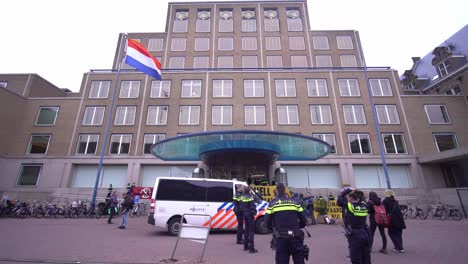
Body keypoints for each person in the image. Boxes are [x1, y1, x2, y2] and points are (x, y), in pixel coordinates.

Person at [265, 183, 308, 264]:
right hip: (296, 237)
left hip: (281, 238)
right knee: (299, 261)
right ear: (285, 191)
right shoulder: (295, 203)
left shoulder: (272, 204)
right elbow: (304, 220)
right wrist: (298, 227)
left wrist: (274, 229)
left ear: (276, 191)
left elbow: (266, 222)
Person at [345, 191, 371, 264]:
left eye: (348, 198)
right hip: (365, 232)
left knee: (356, 257)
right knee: (366, 256)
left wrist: (346, 190)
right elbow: (363, 200)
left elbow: (340, 200)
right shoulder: (364, 205)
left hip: (355, 233)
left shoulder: (350, 206)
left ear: (350, 198)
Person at [240, 186, 258, 253]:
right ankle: (251, 248)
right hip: (250, 216)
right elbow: (253, 207)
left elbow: (241, 206)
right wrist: (254, 212)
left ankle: (245, 246)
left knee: (246, 231)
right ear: (249, 191)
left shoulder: (242, 197)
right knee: (251, 232)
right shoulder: (250, 197)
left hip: (245, 215)